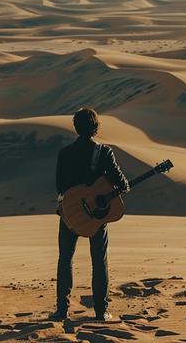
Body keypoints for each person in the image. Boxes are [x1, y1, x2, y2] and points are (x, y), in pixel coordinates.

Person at [50, 107, 130, 322]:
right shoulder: (103, 152)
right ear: (95, 127)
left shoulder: (64, 153)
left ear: (76, 127)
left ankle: (61, 310)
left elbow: (60, 186)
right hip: (96, 216)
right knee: (99, 260)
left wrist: (77, 197)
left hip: (70, 213)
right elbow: (122, 184)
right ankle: (101, 311)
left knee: (65, 259)